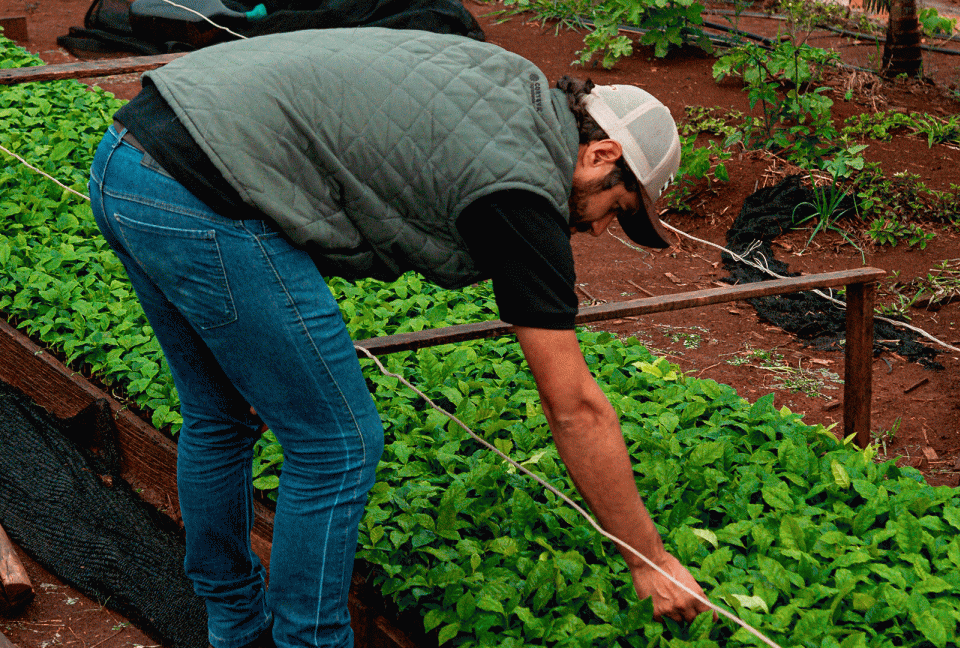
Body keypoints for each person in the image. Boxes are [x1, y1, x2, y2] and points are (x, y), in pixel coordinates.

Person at [87, 26, 711, 648]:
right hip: (200, 192)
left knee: (220, 413)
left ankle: (235, 627)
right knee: (338, 446)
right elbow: (573, 406)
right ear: (601, 156)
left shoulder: (512, 89)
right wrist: (649, 559)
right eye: (621, 210)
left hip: (130, 154)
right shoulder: (519, 189)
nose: (604, 232)